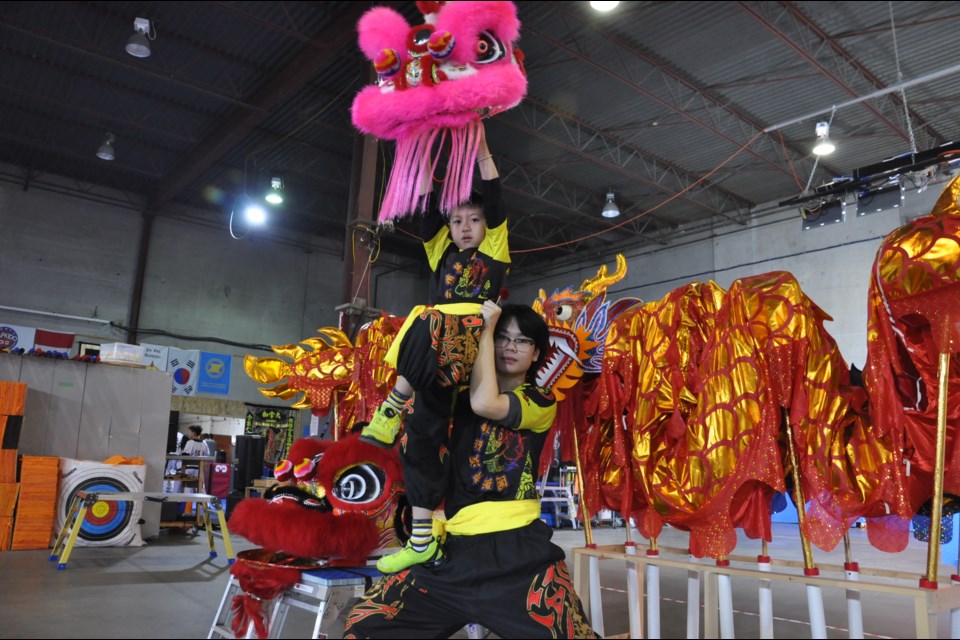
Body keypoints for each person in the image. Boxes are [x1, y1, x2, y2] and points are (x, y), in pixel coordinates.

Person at [343, 303, 597, 638]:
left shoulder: (539, 399)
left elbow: (486, 403)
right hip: (452, 553)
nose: (509, 347)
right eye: (502, 338)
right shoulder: (459, 396)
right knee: (364, 625)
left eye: (522, 341)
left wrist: (488, 329)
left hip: (517, 556)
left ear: (536, 353)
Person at [360, 122, 510, 573]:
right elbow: (426, 205)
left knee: (429, 316)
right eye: (457, 221)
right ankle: (422, 538)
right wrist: (418, 145)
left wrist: (479, 140)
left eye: (474, 219)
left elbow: (491, 185)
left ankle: (391, 403)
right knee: (419, 440)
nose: (465, 227)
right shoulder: (441, 253)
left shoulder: (497, 249)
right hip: (435, 360)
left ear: (489, 225)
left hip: (473, 348)